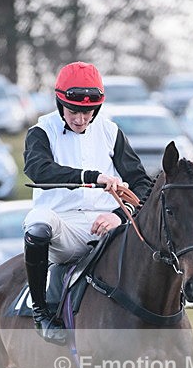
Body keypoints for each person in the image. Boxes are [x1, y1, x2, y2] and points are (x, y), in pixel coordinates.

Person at [23, 61, 152, 342]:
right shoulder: (41, 131)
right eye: (73, 111)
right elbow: (38, 170)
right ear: (60, 104)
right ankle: (41, 312)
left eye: (88, 112)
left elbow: (143, 183)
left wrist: (119, 214)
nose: (81, 119)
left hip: (109, 227)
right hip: (63, 227)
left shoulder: (111, 132)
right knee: (36, 225)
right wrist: (92, 176)